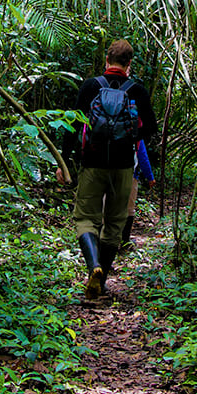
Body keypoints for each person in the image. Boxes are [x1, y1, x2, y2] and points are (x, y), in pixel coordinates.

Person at [57, 40, 157, 298]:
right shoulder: (138, 91)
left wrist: (64, 162)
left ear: (107, 59)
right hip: (124, 167)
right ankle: (101, 283)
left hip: (92, 164)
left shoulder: (91, 86)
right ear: (129, 64)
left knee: (84, 218)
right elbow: (150, 130)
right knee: (114, 223)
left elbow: (73, 125)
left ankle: (94, 267)